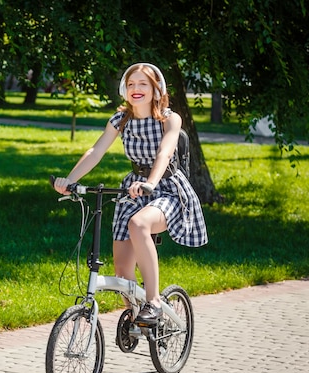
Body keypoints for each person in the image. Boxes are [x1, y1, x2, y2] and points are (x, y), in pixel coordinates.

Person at [52, 63, 208, 325]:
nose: (137, 89)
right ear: (125, 88)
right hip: (133, 189)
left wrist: (150, 182)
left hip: (167, 187)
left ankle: (154, 302)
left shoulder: (170, 119)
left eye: (143, 84)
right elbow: (96, 151)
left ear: (156, 89)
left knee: (139, 224)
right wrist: (70, 180)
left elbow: (164, 153)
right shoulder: (120, 119)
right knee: (122, 272)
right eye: (132, 84)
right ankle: (138, 319)